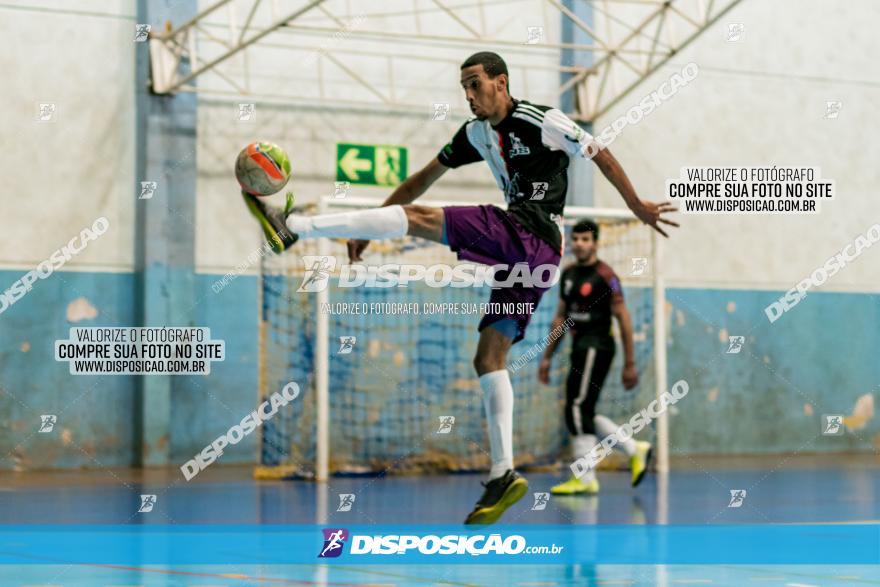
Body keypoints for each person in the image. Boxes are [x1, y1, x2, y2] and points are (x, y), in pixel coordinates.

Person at [242, 51, 676, 524]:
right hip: (533, 258)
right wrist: (370, 227)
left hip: (531, 234)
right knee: (489, 357)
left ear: (501, 82)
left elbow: (599, 152)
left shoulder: (541, 120)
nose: (468, 95)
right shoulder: (473, 134)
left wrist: (635, 204)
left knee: (418, 222)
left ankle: (295, 227)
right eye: (463, 87)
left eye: (475, 84)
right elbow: (421, 180)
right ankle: (503, 472)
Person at [539, 219, 652, 495]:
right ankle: (633, 447)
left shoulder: (606, 275)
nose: (579, 244)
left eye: (585, 239)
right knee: (584, 409)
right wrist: (547, 357)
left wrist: (630, 363)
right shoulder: (567, 275)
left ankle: (585, 478)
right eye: (575, 239)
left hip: (597, 346)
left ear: (595, 243)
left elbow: (623, 317)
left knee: (576, 407)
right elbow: (560, 318)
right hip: (579, 347)